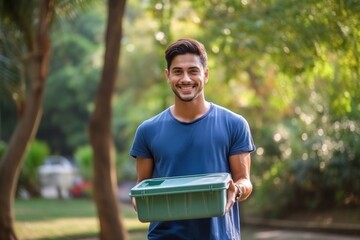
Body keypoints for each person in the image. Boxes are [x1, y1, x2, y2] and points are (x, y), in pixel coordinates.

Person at [130, 38, 256, 240]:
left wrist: (237, 190)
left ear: (205, 75)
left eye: (193, 71)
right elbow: (142, 186)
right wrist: (141, 202)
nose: (186, 79)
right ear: (167, 76)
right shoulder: (148, 131)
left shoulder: (234, 124)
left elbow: (244, 180)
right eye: (178, 71)